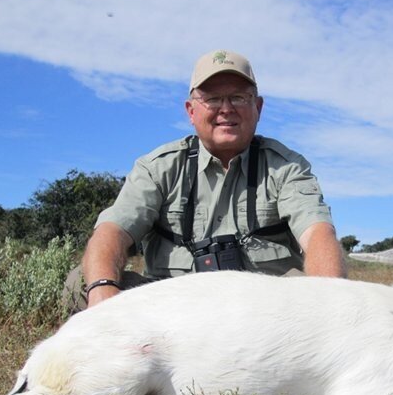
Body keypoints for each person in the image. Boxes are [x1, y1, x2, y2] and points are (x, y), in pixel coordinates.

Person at [65, 49, 346, 312]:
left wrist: (327, 306)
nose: (226, 109)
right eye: (212, 99)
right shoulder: (157, 167)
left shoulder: (287, 166)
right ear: (191, 110)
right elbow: (112, 232)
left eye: (238, 97)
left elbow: (318, 233)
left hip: (264, 316)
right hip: (175, 313)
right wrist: (104, 300)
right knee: (82, 282)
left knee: (328, 298)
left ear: (258, 107)